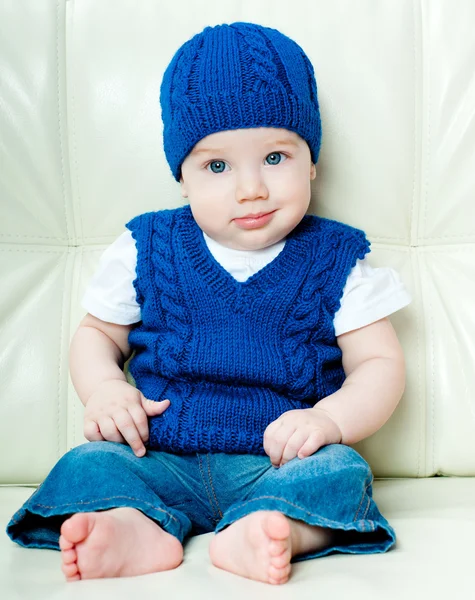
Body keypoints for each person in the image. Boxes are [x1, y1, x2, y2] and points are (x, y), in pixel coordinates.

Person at [6, 22, 411, 585]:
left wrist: (330, 419)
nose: (251, 188)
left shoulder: (338, 259)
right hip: (157, 456)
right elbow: (97, 336)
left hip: (277, 465)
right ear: (183, 178)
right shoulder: (146, 247)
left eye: (276, 156)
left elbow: (380, 365)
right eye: (216, 166)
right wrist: (104, 389)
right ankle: (132, 523)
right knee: (87, 465)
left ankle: (273, 528)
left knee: (342, 473)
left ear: (312, 161)